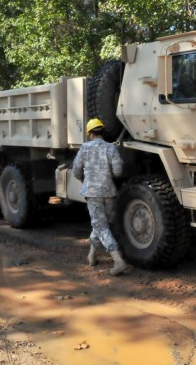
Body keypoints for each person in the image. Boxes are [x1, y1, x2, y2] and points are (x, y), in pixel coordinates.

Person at [72, 118, 127, 276]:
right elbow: (117, 171)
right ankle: (92, 255)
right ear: (102, 132)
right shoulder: (111, 148)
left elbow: (76, 170)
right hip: (109, 192)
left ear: (90, 134)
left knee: (101, 227)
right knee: (102, 225)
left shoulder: (85, 148)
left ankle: (118, 261)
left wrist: (85, 179)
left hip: (93, 194)